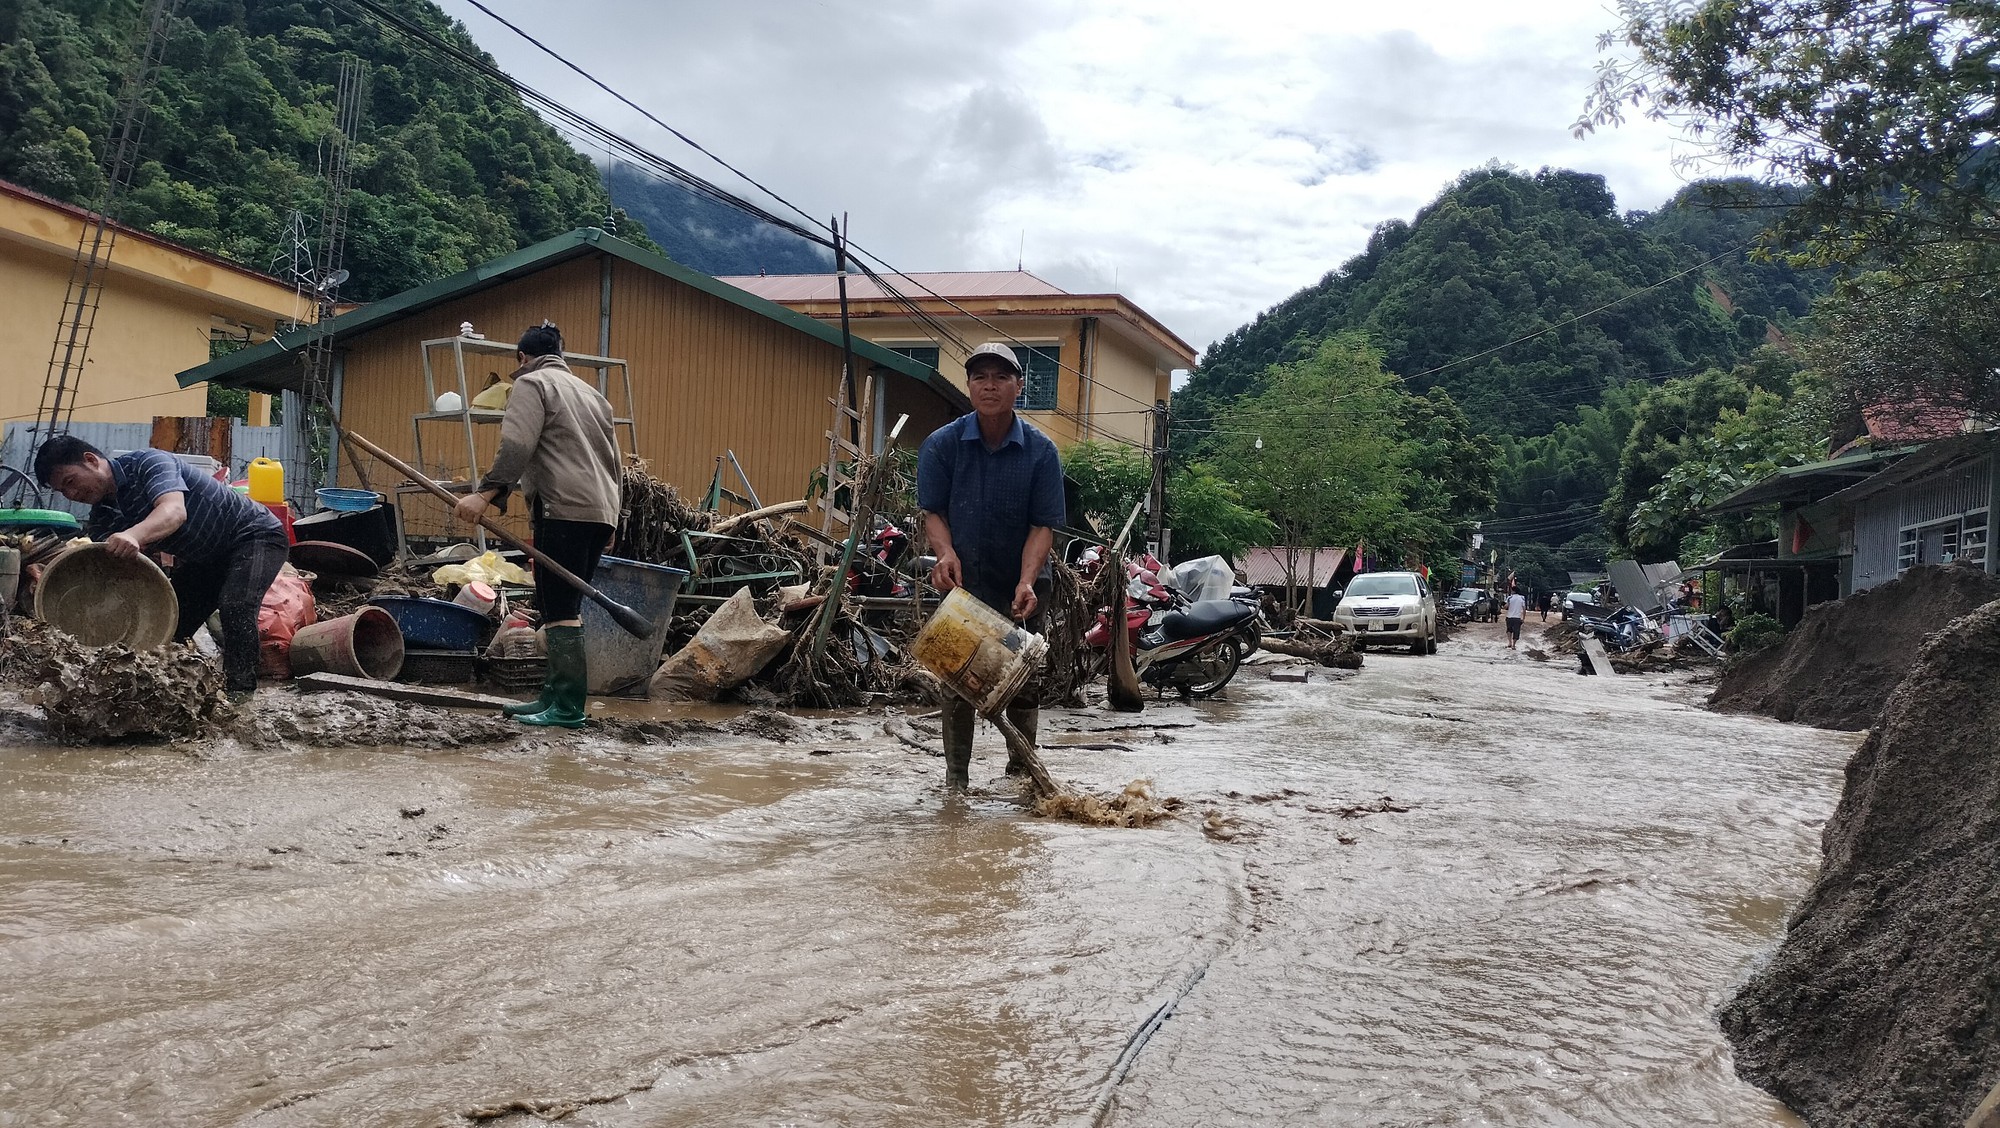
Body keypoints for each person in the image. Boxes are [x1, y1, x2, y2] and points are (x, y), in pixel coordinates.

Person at [454, 322, 621, 728]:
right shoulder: (594, 395)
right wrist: (614, 520)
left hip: (562, 508)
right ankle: (552, 697)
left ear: (521, 359)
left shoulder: (532, 384)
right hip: (601, 510)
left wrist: (487, 493)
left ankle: (566, 707)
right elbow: (614, 461)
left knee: (559, 607)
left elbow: (516, 443)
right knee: (565, 606)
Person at [916, 342, 1066, 792]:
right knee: (956, 679)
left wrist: (1026, 579)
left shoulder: (1041, 452)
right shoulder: (942, 445)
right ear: (969, 386)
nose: (990, 386)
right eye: (980, 377)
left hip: (1020, 587)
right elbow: (933, 512)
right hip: (962, 585)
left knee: (1023, 682)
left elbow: (1043, 525)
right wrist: (945, 553)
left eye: (1001, 377)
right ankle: (956, 781)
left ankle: (1020, 776)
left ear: (1018, 387)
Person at [35, 434, 288, 696]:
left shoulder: (149, 462)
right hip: (207, 558)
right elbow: (106, 573)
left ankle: (240, 697)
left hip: (254, 534)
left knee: (235, 605)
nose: (72, 494)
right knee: (168, 624)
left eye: (71, 482)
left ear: (91, 460)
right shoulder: (103, 517)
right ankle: (168, 695)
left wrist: (134, 534)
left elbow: (174, 512)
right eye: (63, 491)